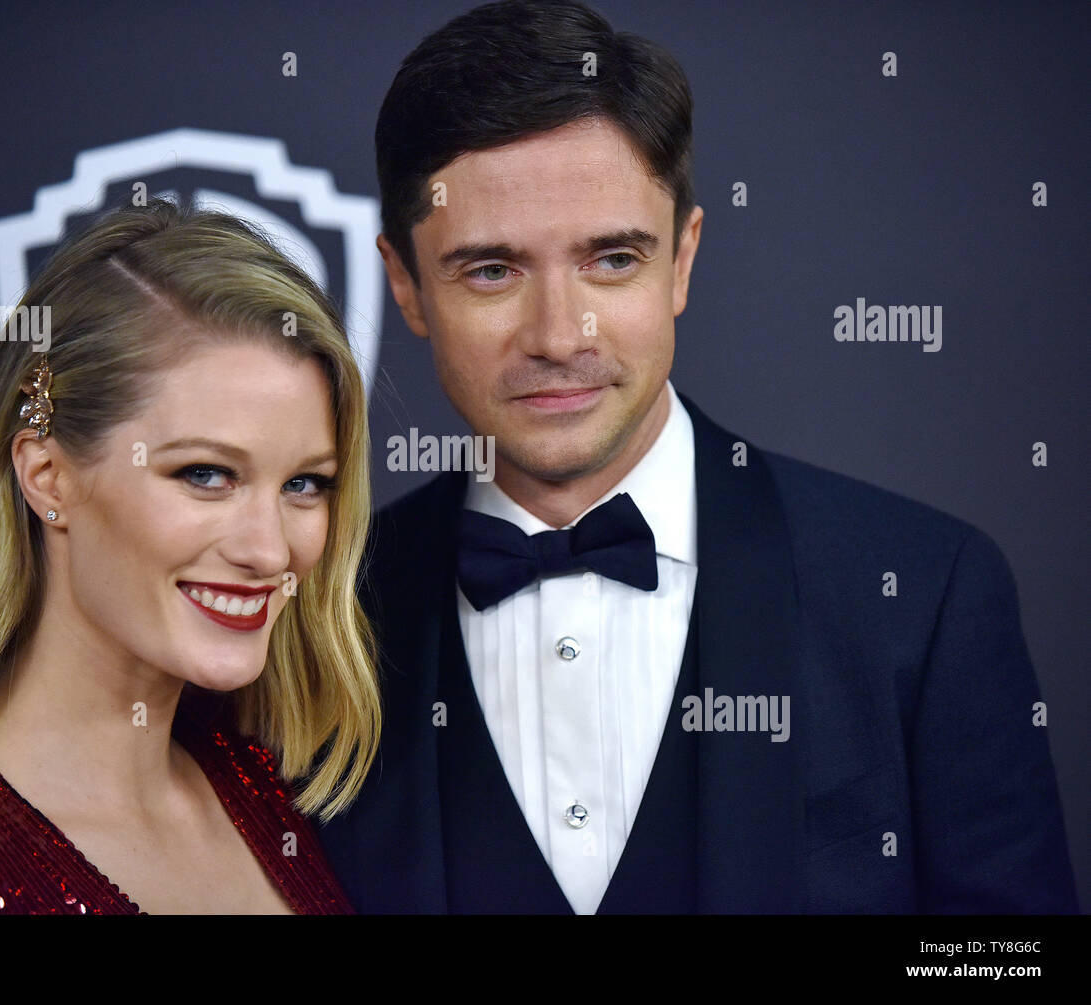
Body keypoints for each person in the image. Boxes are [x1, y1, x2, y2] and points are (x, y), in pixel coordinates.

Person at [316, 0, 1078, 913]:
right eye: (492, 270)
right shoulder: (321, 613)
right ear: (405, 283)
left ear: (682, 259)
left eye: (611, 260)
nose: (562, 334)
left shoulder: (922, 592)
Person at [0, 200, 379, 914]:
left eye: (305, 484)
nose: (270, 549)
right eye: (206, 474)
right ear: (48, 476)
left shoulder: (251, 777)